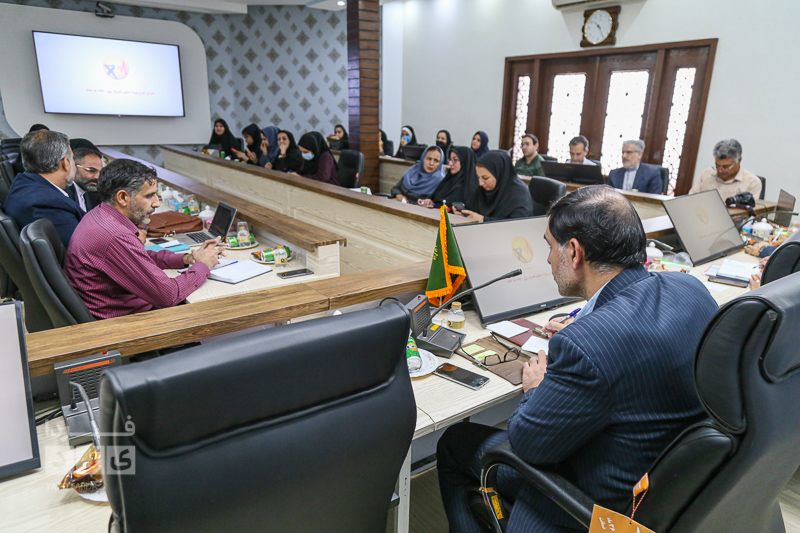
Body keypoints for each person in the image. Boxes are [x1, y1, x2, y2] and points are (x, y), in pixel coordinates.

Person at [437, 185, 719, 532]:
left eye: (549, 246)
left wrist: (536, 388)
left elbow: (528, 444)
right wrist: (589, 321)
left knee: (455, 442)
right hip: (672, 483)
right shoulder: (690, 289)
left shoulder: (586, 344)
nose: (547, 259)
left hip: (602, 504)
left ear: (573, 252)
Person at [64, 159, 223, 320]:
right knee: (214, 310)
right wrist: (203, 265)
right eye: (149, 196)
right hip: (126, 322)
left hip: (120, 310)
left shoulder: (99, 214)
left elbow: (139, 256)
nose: (156, 203)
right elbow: (168, 296)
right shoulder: (115, 236)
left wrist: (186, 258)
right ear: (123, 197)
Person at [4, 130, 83, 247]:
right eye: (72, 158)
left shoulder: (23, 182)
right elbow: (81, 249)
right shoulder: (49, 204)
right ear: (65, 163)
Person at [455, 151, 533, 222]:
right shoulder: (483, 190)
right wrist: (465, 213)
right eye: (478, 177)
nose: (480, 183)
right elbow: (472, 208)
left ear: (499, 174)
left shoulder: (520, 195)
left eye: (485, 178)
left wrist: (483, 220)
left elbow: (517, 225)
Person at [688, 139, 762, 198]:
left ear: (739, 161)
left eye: (726, 167)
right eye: (717, 166)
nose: (720, 170)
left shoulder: (752, 183)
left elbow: (750, 211)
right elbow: (691, 199)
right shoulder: (706, 174)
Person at [69, 147, 103, 212]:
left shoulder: (90, 195)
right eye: (91, 170)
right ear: (73, 167)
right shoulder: (63, 193)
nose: (97, 177)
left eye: (100, 172)